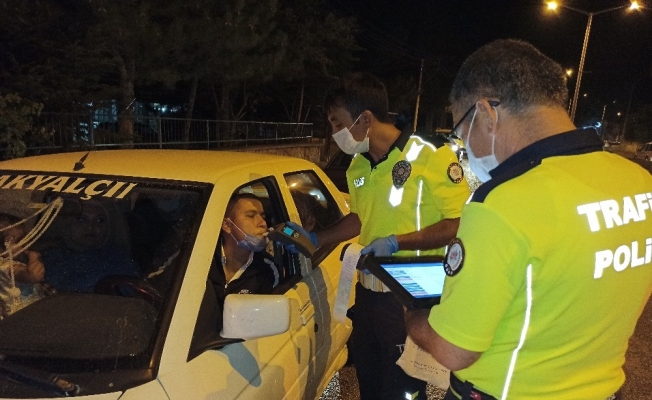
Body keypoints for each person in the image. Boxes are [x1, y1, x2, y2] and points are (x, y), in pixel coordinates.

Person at [404, 39, 652, 400]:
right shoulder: (639, 182)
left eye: (461, 130)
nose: (465, 146)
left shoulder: (501, 205)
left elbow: (454, 350)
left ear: (486, 114)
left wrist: (414, 317)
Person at [290, 72, 470, 400]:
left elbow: (459, 222)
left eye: (337, 123)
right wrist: (319, 239)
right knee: (369, 384)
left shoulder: (430, 155)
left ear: (366, 118)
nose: (334, 133)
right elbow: (360, 219)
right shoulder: (357, 166)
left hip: (409, 298)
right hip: (368, 294)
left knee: (402, 392)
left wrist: (398, 242)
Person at [40, 199, 140, 293]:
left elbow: (128, 299)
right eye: (82, 219)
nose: (90, 227)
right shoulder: (47, 257)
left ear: (109, 226)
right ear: (68, 223)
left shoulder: (119, 261)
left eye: (100, 221)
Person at [210, 193, 279, 310]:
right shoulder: (200, 259)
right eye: (251, 216)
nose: (263, 223)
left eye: (263, 217)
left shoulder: (267, 270)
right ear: (227, 225)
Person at [0, 212, 48, 316]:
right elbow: (34, 275)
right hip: (23, 314)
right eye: (20, 240)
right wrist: (34, 256)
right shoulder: (7, 267)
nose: (25, 244)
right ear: (7, 243)